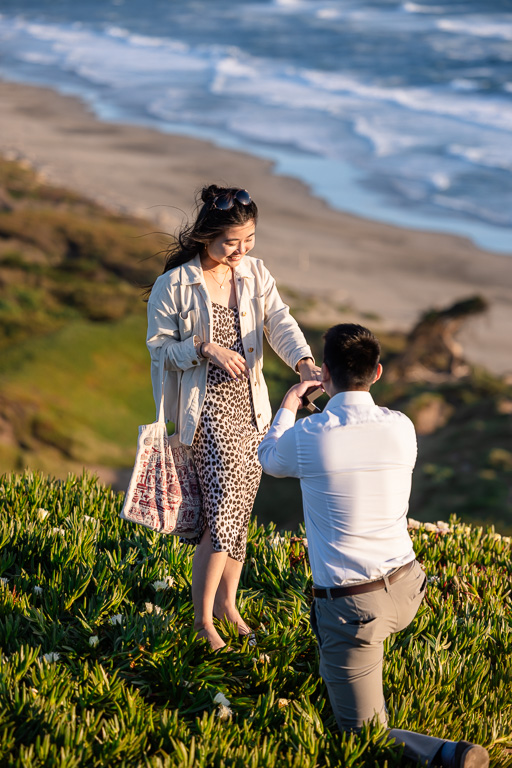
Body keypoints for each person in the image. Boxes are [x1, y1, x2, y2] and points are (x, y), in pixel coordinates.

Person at [258, 324, 489, 768]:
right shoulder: (401, 426)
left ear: (323, 374)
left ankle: (449, 755)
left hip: (354, 609)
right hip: (408, 586)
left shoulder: (309, 436)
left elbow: (270, 458)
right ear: (378, 372)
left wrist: (290, 404)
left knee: (362, 735)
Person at [146, 185, 320, 651]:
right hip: (206, 413)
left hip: (252, 410)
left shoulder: (254, 273)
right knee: (222, 514)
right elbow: (159, 350)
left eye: (249, 240)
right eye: (232, 242)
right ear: (206, 236)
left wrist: (303, 363)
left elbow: (279, 321)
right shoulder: (176, 285)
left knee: (239, 516)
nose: (241, 251)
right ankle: (203, 619)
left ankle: (228, 603)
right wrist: (204, 348)